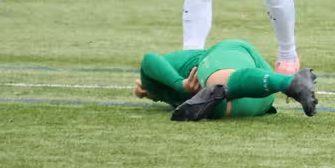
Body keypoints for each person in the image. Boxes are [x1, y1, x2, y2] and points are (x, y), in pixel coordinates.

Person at [134, 39, 317, 121]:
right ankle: (286, 83)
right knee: (217, 103)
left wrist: (180, 85)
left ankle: (290, 82)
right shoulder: (158, 91)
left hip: (227, 56)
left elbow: (149, 59)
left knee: (216, 86)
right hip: (260, 93)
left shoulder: (151, 80)